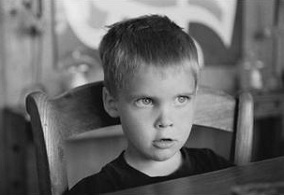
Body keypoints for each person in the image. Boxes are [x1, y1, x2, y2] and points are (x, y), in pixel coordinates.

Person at [66, 14, 233, 195]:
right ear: (111, 102)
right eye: (146, 101)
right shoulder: (96, 190)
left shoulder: (217, 170)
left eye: (181, 99)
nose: (165, 120)